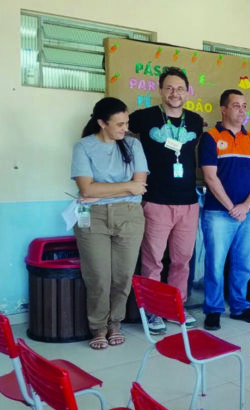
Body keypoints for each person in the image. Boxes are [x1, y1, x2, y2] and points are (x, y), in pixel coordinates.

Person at [129, 67, 204, 333]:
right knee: (153, 260)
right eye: (169, 88)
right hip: (156, 200)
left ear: (187, 92)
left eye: (180, 88)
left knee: (182, 259)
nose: (175, 93)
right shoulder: (144, 117)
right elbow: (120, 135)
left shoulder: (195, 121)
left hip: (188, 202)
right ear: (160, 91)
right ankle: (152, 311)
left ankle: (176, 306)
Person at [72, 97, 148, 350]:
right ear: (102, 123)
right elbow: (86, 188)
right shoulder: (83, 147)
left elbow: (140, 186)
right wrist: (127, 187)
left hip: (130, 215)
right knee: (98, 277)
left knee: (122, 276)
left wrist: (101, 190)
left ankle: (115, 324)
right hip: (93, 217)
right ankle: (98, 328)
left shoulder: (133, 145)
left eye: (126, 123)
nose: (125, 128)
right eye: (119, 124)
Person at [198, 89, 250, 331]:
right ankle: (213, 309)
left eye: (244, 105)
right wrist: (231, 208)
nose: (242, 110)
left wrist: (246, 206)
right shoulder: (210, 138)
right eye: (236, 105)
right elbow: (210, 177)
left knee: (244, 264)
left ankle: (239, 306)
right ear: (223, 109)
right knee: (215, 264)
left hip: (249, 213)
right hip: (219, 213)